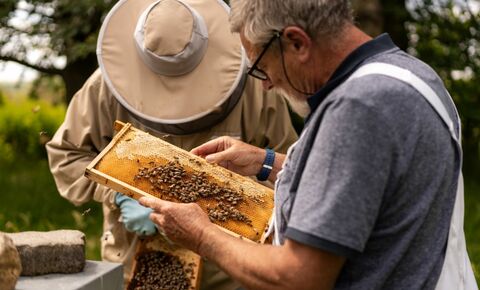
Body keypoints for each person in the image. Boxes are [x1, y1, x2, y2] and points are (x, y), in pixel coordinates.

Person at [138, 0, 479, 289]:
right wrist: (267, 162)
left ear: (297, 43)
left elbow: (298, 277)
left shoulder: (358, 108)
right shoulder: (410, 73)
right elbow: (370, 185)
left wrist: (200, 235)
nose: (266, 85)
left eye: (261, 66)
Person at [45, 0, 298, 289]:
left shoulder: (255, 88)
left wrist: (229, 205)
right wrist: (118, 195)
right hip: (135, 259)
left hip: (230, 269)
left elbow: (289, 174)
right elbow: (66, 155)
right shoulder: (104, 87)